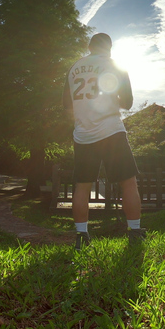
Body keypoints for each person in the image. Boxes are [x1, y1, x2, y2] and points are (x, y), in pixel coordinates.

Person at [62, 33, 146, 250]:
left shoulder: (73, 68)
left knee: (81, 186)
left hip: (83, 135)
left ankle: (81, 235)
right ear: (109, 48)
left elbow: (67, 105)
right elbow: (127, 103)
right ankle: (135, 231)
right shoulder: (115, 65)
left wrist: (85, 117)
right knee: (128, 182)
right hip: (111, 132)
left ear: (89, 46)